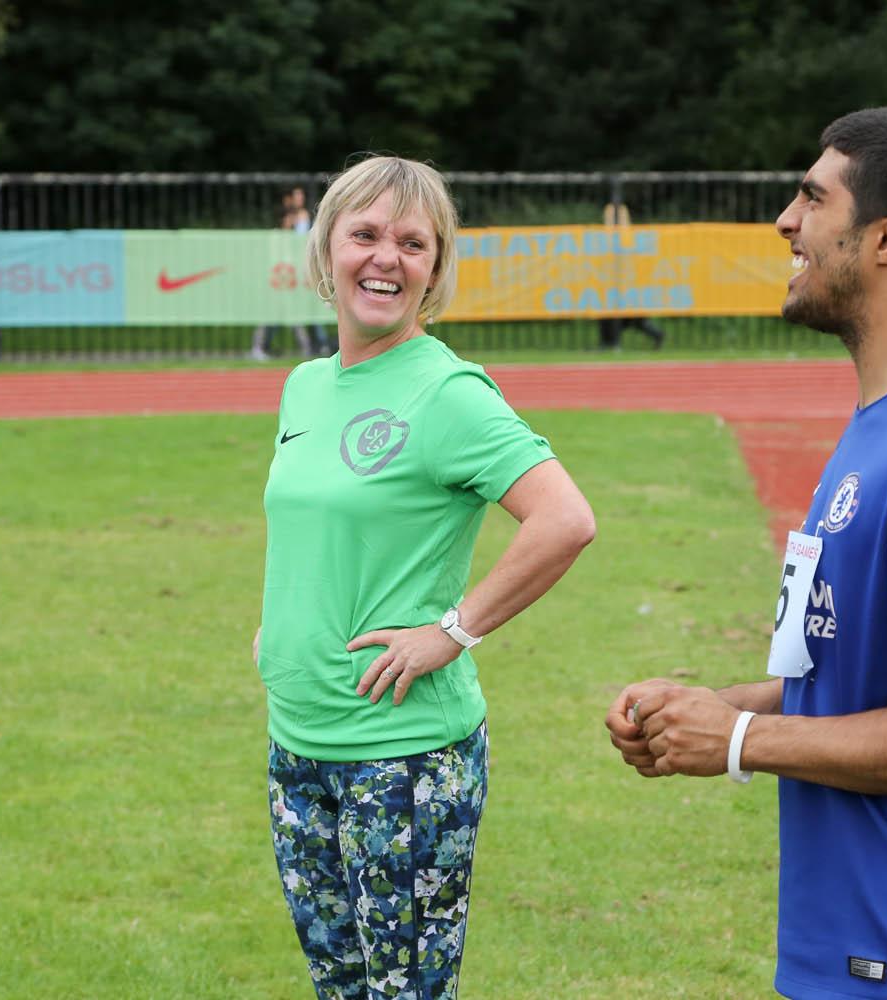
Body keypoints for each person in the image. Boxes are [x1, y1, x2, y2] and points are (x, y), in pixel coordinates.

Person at [605, 108, 887, 999]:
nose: (787, 220)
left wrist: (739, 739)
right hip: (872, 927)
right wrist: (709, 707)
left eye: (813, 198)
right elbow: (863, 670)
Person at [255, 154, 596, 999]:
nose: (386, 258)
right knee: (339, 986)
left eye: (414, 243)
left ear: (435, 269)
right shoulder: (305, 385)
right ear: (326, 247)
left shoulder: (448, 393)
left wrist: (451, 632)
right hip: (298, 742)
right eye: (365, 233)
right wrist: (286, 624)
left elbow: (565, 519)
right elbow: (320, 530)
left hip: (402, 760)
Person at [251, 187, 331, 360]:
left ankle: (314, 346)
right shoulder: (277, 238)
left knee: (300, 313)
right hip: (280, 282)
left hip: (294, 281)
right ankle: (261, 347)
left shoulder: (300, 231)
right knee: (277, 315)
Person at [595, 202, 665, 350]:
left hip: (626, 284)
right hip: (625, 285)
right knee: (627, 317)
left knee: (622, 316)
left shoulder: (619, 238)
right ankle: (611, 341)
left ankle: (610, 342)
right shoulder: (628, 236)